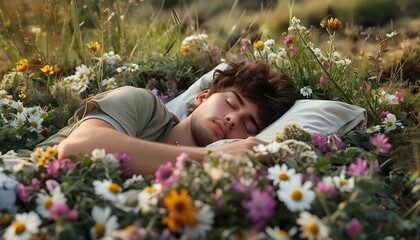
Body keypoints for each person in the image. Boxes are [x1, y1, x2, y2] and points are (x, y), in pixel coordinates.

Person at [38, 60, 297, 175]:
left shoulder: (205, 181)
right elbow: (77, 149)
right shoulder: (142, 104)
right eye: (230, 103)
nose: (232, 119)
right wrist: (215, 158)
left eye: (248, 125)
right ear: (202, 97)